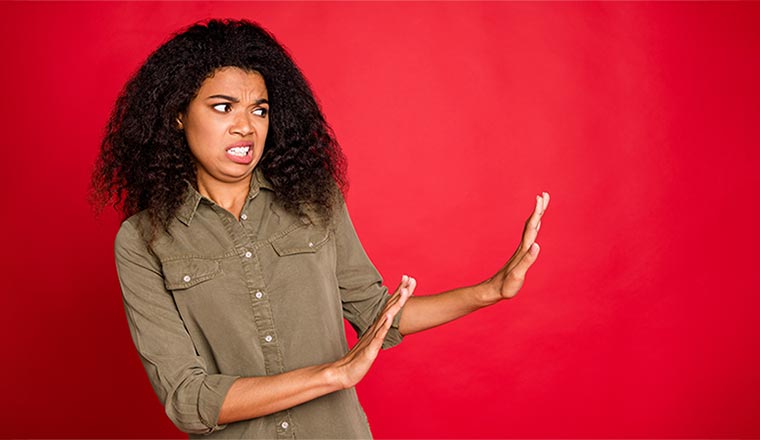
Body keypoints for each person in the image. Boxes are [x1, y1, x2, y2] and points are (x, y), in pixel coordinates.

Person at [92, 18, 549, 439]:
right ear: (178, 115)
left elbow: (377, 316)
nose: (245, 127)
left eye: (260, 110)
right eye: (223, 107)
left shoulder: (315, 200)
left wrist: (491, 290)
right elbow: (188, 400)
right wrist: (333, 375)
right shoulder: (143, 241)